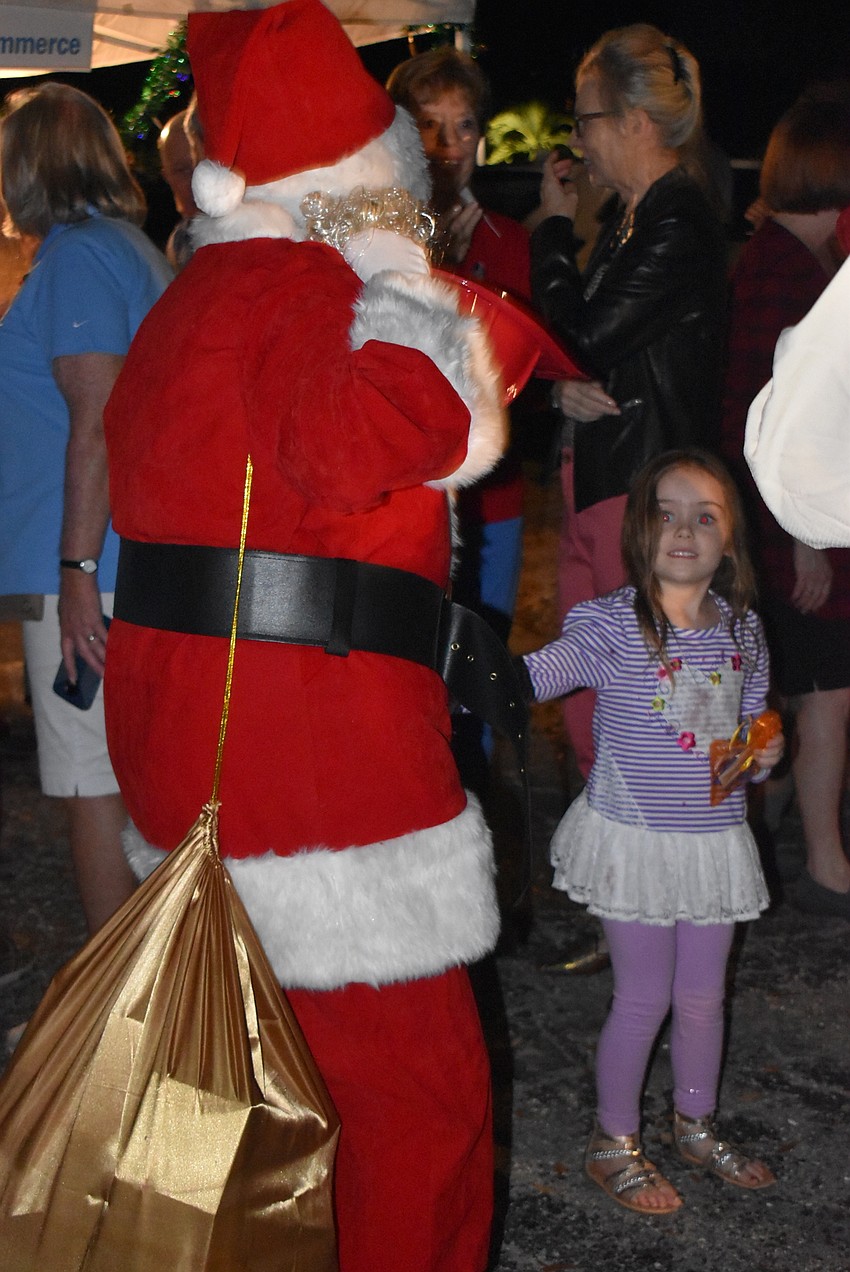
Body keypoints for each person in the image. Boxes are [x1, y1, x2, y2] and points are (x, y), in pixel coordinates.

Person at [103, 2, 508, 1269]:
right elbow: (373, 433)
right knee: (408, 1103)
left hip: (202, 746)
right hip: (321, 774)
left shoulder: (190, 300)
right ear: (365, 179)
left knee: (224, 1080)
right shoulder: (304, 290)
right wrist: (397, 278)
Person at [518, 450, 783, 1213]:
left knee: (703, 998)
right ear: (638, 530)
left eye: (706, 517)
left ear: (729, 541)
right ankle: (614, 1141)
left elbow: (752, 735)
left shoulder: (744, 631)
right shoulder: (607, 623)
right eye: (666, 512)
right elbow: (540, 674)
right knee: (643, 998)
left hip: (712, 844)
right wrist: (466, 673)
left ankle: (694, 1123)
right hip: (633, 841)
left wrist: (767, 752)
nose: (684, 529)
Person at [530, 23, 727, 784]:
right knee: (592, 674)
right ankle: (610, 831)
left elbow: (580, 333)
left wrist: (549, 229)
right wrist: (562, 388)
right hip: (610, 476)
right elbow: (593, 351)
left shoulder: (676, 223)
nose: (577, 141)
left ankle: (647, 836)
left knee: (635, 686)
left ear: (635, 123)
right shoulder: (638, 220)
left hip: (644, 490)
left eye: (585, 119)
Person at [0, 84, 172, 936]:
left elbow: (95, 419)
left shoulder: (75, 257)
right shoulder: (126, 248)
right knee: (124, 775)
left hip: (86, 569)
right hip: (120, 558)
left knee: (89, 781)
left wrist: (72, 571)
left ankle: (117, 1011)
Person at [721, 90, 850, 919]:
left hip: (788, 524)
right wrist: (799, 540)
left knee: (803, 690)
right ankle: (827, 861)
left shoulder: (786, 260)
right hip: (792, 529)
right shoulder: (789, 275)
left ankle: (804, 851)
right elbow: (758, 421)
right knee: (824, 691)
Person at [387, 46, 530, 658]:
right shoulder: (372, 239)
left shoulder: (509, 239)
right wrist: (434, 260)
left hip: (491, 502)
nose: (449, 143)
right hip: (400, 502)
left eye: (464, 124)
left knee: (479, 671)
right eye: (429, 123)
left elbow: (522, 373)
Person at [157, 109, 199, 270]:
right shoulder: (179, 244)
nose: (196, 180)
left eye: (202, 164)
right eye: (183, 170)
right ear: (166, 177)